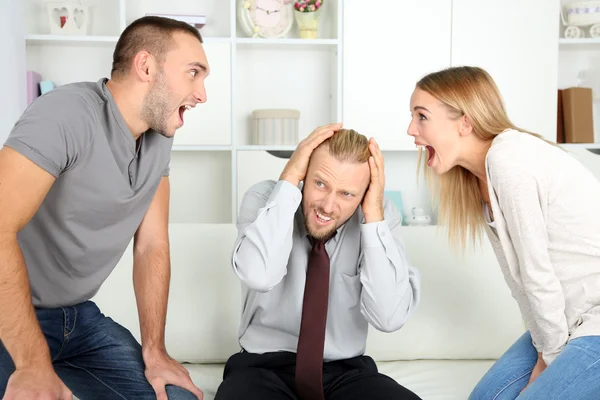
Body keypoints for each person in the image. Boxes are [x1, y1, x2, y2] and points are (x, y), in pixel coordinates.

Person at [0, 15, 210, 400]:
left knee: (177, 397)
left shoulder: (159, 136)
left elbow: (151, 245)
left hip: (77, 320)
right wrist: (32, 365)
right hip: (9, 321)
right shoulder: (62, 114)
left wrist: (155, 349)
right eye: (193, 73)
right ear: (146, 66)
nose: (202, 94)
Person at [407, 65, 600, 400]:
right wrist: (545, 349)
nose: (411, 129)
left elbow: (536, 272)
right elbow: (521, 283)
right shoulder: (479, 180)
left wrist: (549, 360)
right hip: (567, 320)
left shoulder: (508, 160)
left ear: (464, 122)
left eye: (421, 116)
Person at [215, 125, 422, 400]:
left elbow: (388, 317)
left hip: (345, 372)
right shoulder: (265, 199)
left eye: (347, 194)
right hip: (262, 368)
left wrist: (373, 215)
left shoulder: (378, 217)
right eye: (320, 184)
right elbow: (258, 275)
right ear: (304, 173)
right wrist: (288, 179)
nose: (327, 206)